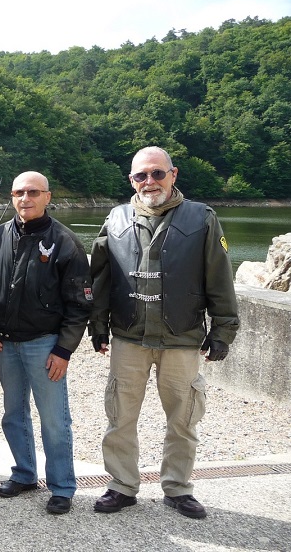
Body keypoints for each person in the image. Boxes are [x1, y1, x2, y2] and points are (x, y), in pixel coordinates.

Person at [89, 146, 240, 519]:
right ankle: (122, 485)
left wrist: (223, 330)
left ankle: (178, 488)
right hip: (129, 336)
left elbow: (220, 278)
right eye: (141, 175)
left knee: (184, 418)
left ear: (173, 174)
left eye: (157, 173)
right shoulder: (116, 218)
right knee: (120, 417)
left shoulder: (202, 218)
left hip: (182, 337)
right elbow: (101, 278)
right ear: (132, 180)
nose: (150, 181)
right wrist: (98, 324)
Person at [0, 171, 92, 515]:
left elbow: (79, 304)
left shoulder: (65, 241)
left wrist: (64, 350)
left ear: (47, 197)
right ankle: (24, 474)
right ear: (12, 197)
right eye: (19, 193)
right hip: (5, 344)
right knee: (13, 414)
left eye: (33, 192)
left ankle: (62, 487)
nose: (25, 198)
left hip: (45, 344)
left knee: (54, 420)